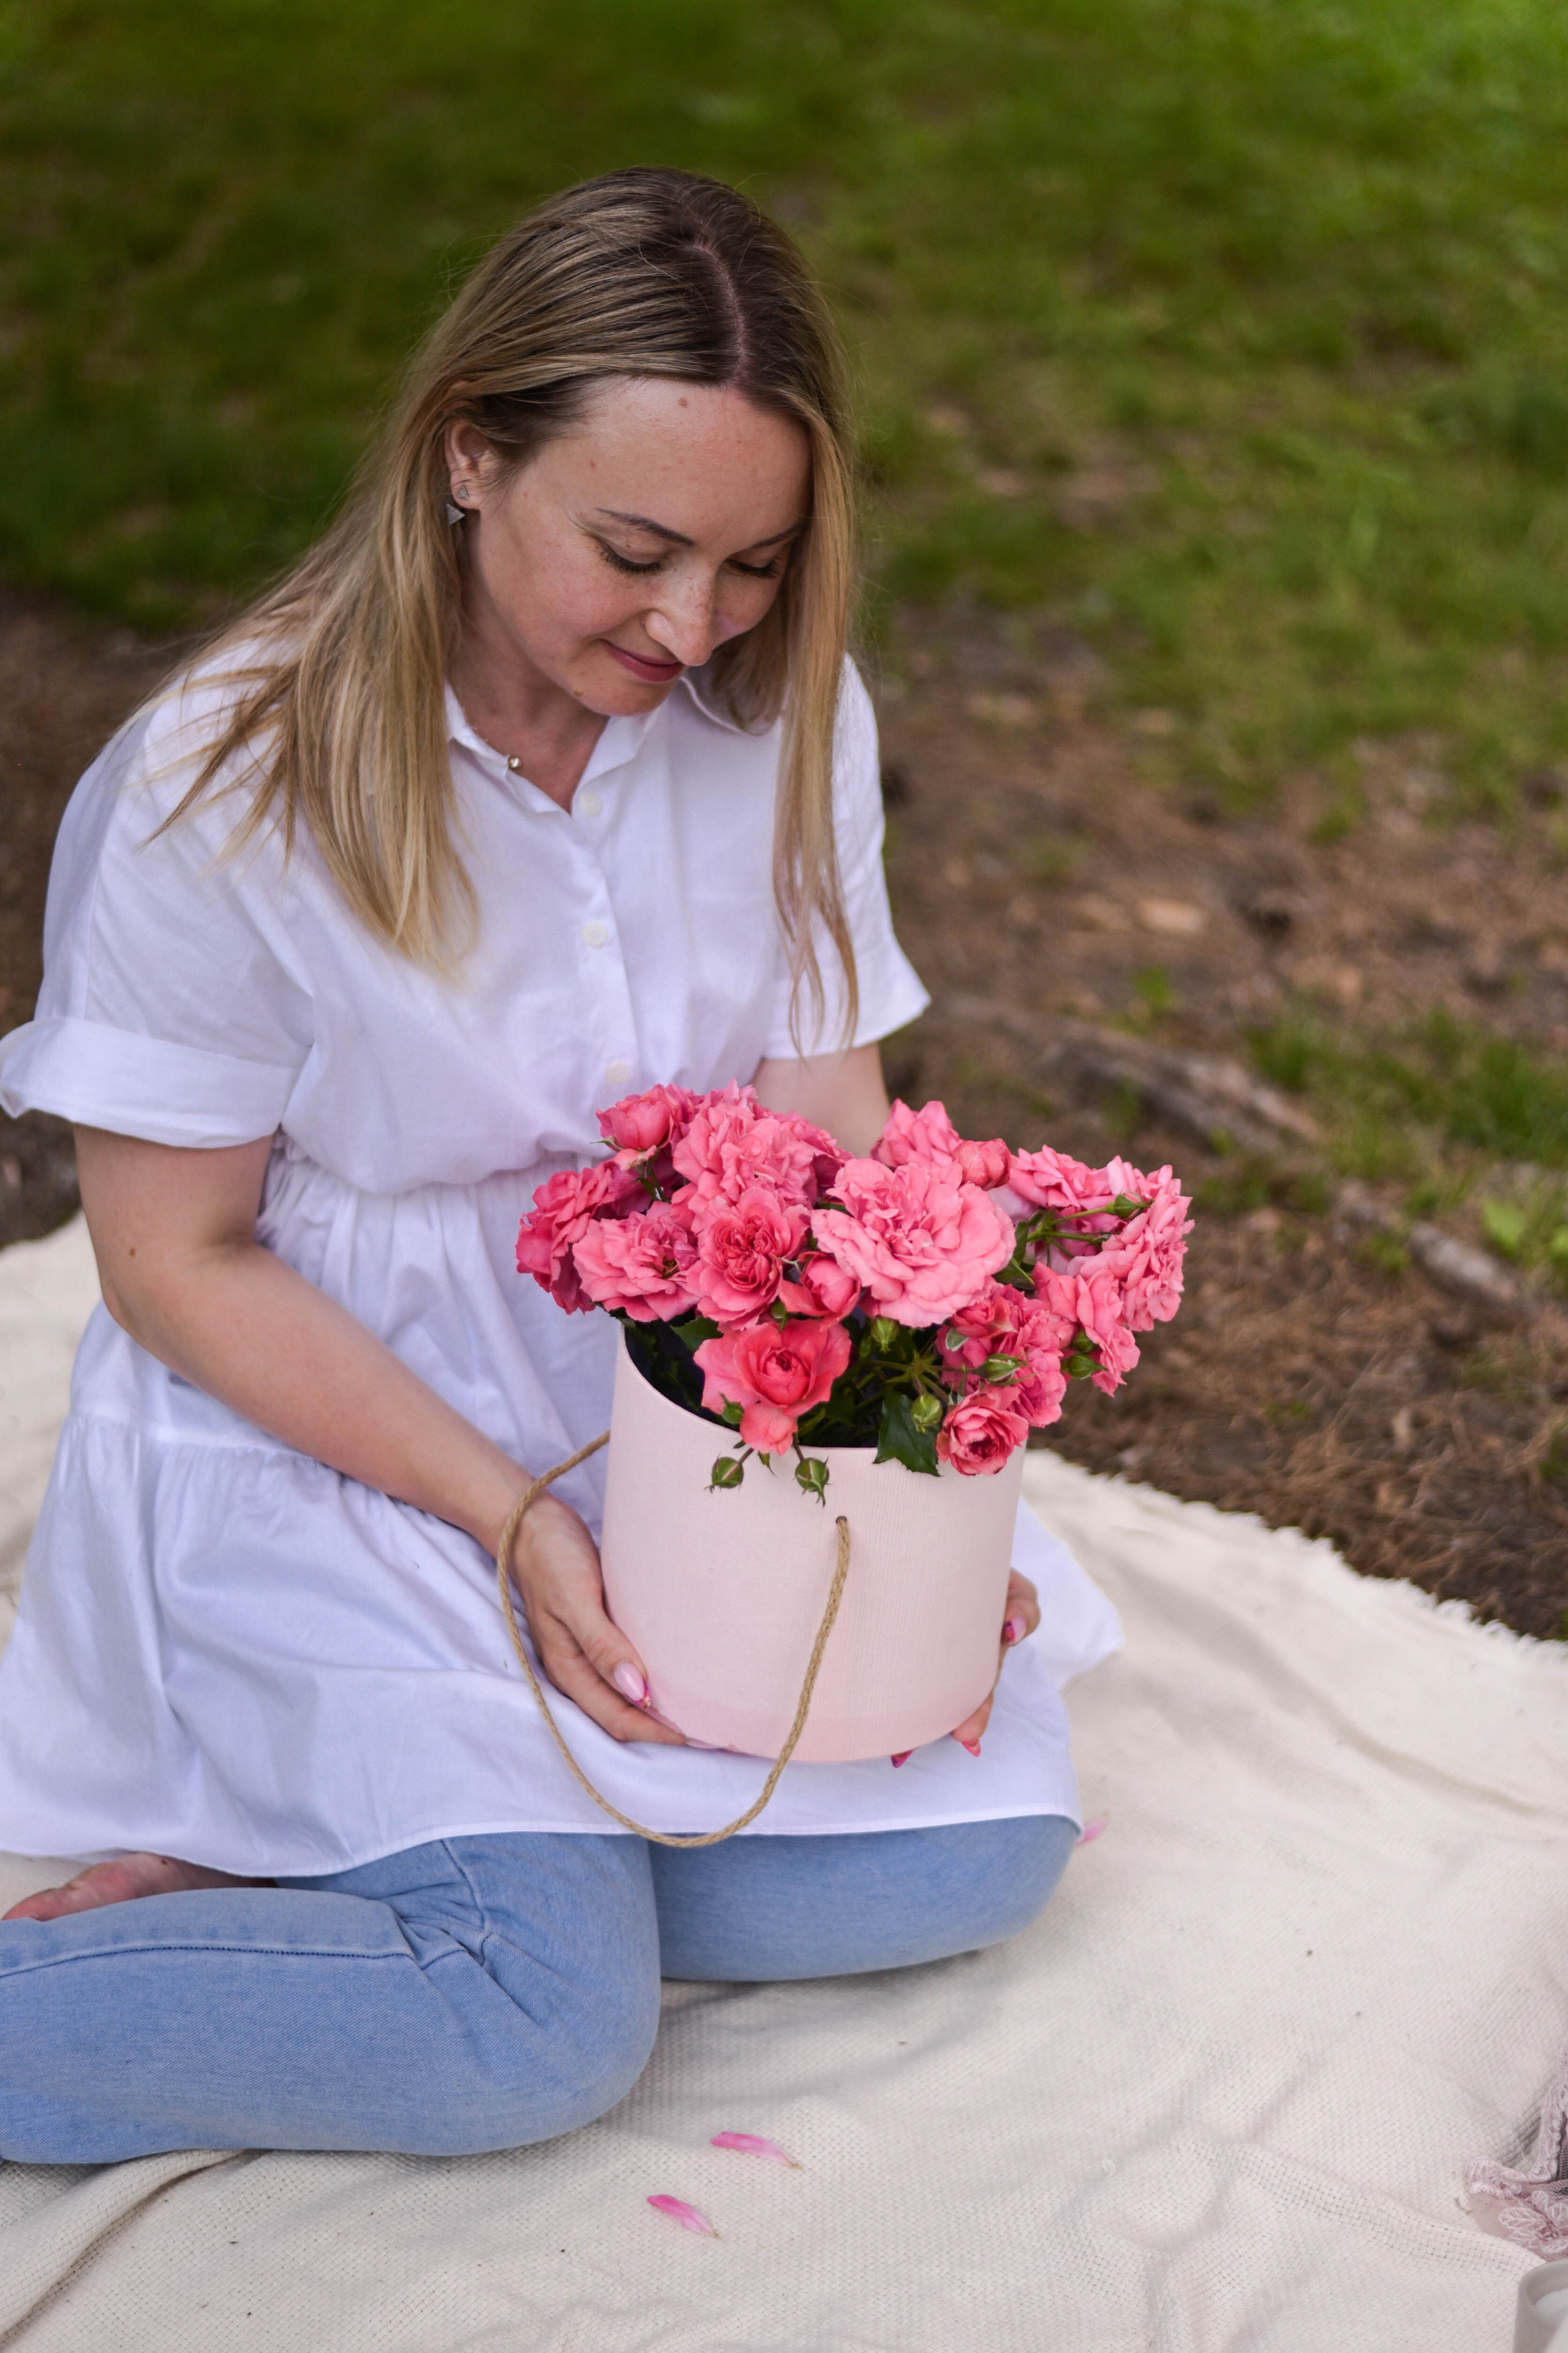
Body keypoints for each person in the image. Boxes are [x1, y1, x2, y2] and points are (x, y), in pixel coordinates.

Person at [0, 168, 1101, 2166]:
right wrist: (513, 1525)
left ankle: (333, 1869)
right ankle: (431, 1898)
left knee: (971, 1851)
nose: (696, 626)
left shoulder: (782, 717)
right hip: (333, 1433)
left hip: (647, 1419)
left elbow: (823, 1135)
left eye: (756, 564)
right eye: (638, 547)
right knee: (534, 2025)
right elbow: (179, 1258)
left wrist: (889, 1515)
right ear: (465, 457)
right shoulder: (222, 776)